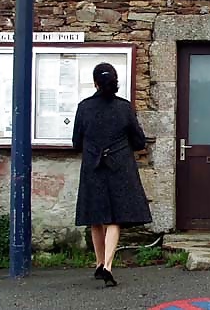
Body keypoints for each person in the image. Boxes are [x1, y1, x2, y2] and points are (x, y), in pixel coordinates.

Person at [73, 62, 151, 287]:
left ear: (95, 83)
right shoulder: (124, 108)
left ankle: (98, 263)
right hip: (120, 167)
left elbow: (76, 142)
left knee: (96, 218)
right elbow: (138, 141)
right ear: (115, 81)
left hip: (93, 167)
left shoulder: (84, 107)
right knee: (115, 218)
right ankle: (107, 265)